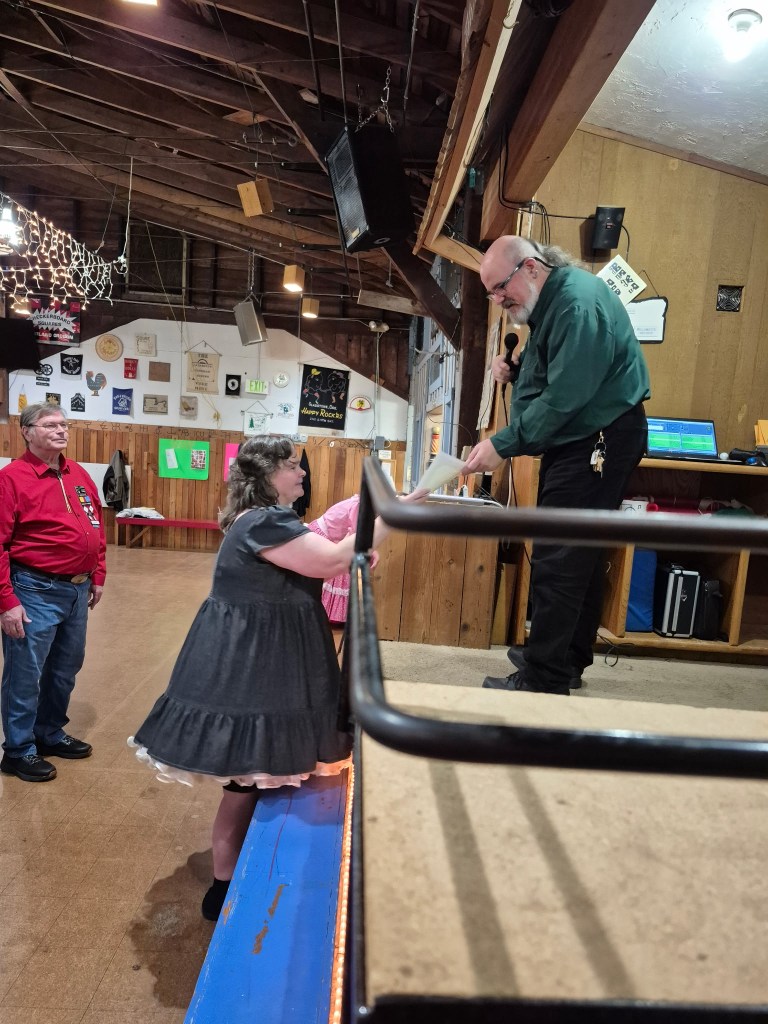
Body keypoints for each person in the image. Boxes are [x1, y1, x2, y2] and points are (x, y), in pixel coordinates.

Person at [129, 435, 425, 921]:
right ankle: (225, 886)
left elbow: (321, 558)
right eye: (291, 465)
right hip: (256, 659)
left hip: (271, 651)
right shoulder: (263, 521)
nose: (301, 472)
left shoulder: (267, 519)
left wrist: (357, 548)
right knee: (247, 777)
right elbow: (328, 559)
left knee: (260, 775)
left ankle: (248, 873)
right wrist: (394, 515)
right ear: (267, 475)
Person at [463, 236, 650, 695]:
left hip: (596, 439)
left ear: (530, 267)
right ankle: (563, 659)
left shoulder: (576, 305)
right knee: (578, 553)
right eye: (490, 292)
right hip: (585, 438)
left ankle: (543, 679)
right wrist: (517, 370)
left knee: (560, 559)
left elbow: (567, 395)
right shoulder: (554, 304)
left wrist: (503, 444)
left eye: (500, 287)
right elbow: (555, 370)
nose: (497, 299)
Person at [0, 403, 106, 782]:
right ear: (27, 431)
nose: (61, 430)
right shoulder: (11, 479)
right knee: (25, 672)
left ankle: (48, 732)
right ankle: (18, 750)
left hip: (77, 589)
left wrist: (98, 573)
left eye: (64, 424)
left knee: (65, 668)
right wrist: (7, 601)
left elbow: (95, 522)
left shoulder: (77, 473)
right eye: (50, 425)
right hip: (34, 589)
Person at [308, 494, 362, 623]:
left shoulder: (358, 503)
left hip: (332, 537)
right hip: (323, 536)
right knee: (332, 571)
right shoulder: (358, 506)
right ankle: (320, 612)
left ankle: (329, 614)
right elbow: (356, 533)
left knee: (339, 572)